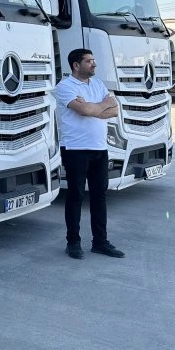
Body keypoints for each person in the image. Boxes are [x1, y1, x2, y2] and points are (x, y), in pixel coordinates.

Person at [53, 48, 125, 260]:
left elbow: (114, 110)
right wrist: (101, 106)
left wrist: (94, 108)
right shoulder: (65, 87)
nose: (94, 64)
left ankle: (100, 242)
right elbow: (85, 111)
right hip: (75, 149)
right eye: (89, 61)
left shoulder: (98, 84)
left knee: (99, 196)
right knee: (76, 196)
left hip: (99, 148)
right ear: (76, 65)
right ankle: (73, 243)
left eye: (93, 60)